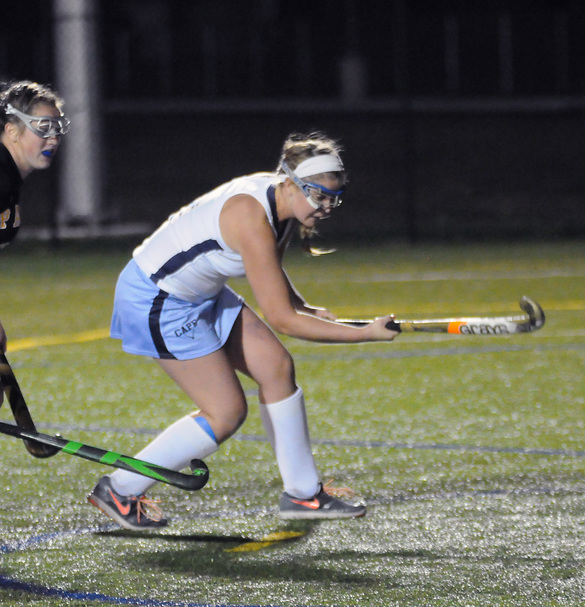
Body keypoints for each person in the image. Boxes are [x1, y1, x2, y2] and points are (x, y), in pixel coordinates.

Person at [87, 132, 399, 530]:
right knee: (226, 412)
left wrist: (303, 304)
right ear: (290, 182)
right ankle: (121, 488)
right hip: (156, 300)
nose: (326, 207)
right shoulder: (250, 216)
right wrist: (365, 334)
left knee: (275, 368)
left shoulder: (281, 203)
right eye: (319, 196)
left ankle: (303, 495)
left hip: (202, 292)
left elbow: (274, 270)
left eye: (333, 198)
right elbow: (282, 321)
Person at [0, 80, 69, 353]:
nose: (53, 138)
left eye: (57, 128)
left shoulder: (9, 179)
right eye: (43, 128)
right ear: (12, 130)